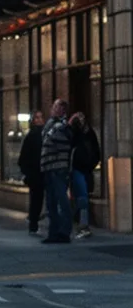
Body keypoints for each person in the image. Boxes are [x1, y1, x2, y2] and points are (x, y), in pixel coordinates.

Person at [40, 101, 75, 244]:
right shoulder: (51, 124)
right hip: (48, 167)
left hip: (58, 167)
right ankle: (53, 232)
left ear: (62, 110)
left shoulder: (64, 126)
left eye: (56, 107)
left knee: (61, 200)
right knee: (51, 202)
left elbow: (53, 139)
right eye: (52, 106)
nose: (53, 109)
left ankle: (64, 232)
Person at [71, 110, 102, 239]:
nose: (81, 121)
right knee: (83, 196)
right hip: (77, 169)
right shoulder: (74, 134)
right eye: (79, 119)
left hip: (87, 170)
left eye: (83, 118)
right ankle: (83, 225)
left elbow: (96, 151)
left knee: (83, 196)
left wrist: (92, 164)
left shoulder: (90, 134)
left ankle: (77, 220)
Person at [19, 109, 48, 236]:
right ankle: (33, 223)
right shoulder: (32, 136)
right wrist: (27, 172)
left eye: (41, 117)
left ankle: (34, 222)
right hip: (35, 173)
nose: (39, 120)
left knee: (38, 199)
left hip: (42, 171)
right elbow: (24, 157)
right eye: (37, 118)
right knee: (36, 199)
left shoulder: (45, 134)